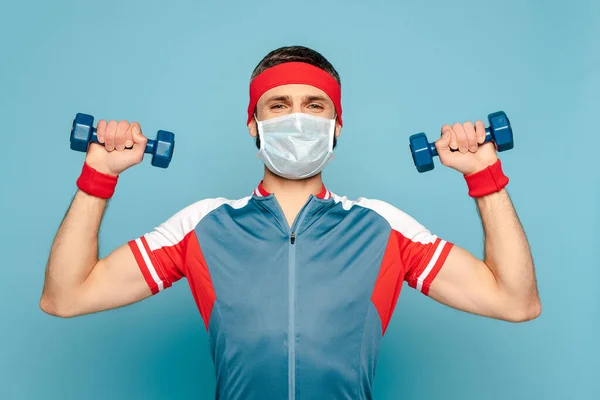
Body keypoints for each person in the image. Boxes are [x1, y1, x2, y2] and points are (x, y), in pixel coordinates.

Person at [40, 46, 541, 399]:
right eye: (278, 105)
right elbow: (66, 296)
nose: (297, 119)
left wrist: (485, 175)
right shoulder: (202, 225)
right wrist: (98, 174)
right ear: (253, 125)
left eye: (314, 105)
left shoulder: (382, 227)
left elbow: (515, 301)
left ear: (337, 126)